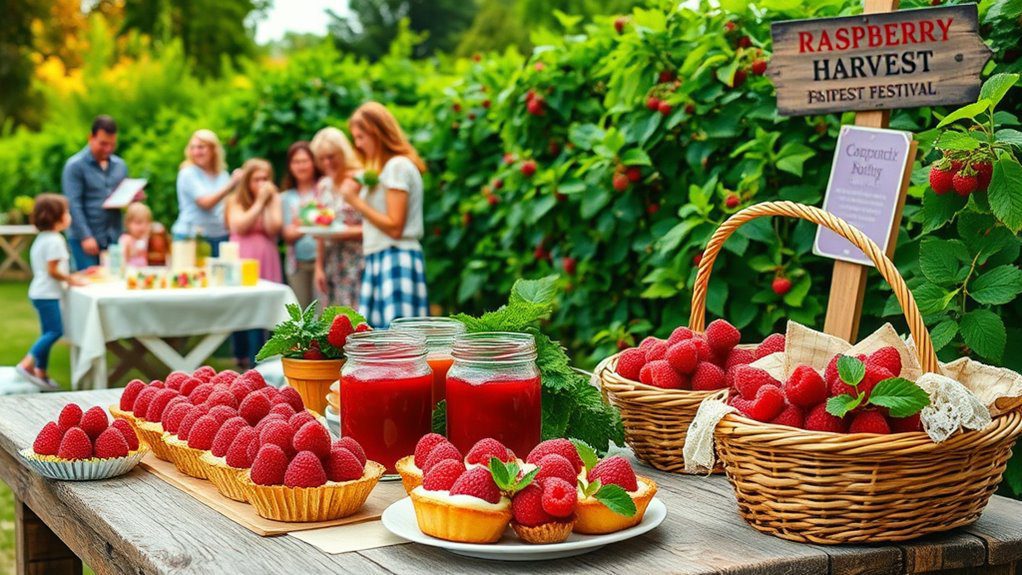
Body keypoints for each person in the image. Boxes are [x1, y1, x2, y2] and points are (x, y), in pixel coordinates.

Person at [341, 102, 428, 328]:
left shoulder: (397, 166)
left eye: (361, 137)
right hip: (382, 257)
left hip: (395, 256)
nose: (358, 144)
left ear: (377, 133)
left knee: (398, 343)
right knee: (381, 341)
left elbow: (394, 226)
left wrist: (356, 202)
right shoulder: (386, 169)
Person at [17, 195, 86, 389]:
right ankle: (27, 364)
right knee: (55, 331)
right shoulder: (55, 240)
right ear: (57, 216)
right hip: (47, 294)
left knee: (47, 332)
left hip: (39, 292)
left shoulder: (42, 238)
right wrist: (72, 279)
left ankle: (41, 371)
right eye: (66, 212)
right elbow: (53, 271)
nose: (69, 215)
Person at [225, 158, 283, 368]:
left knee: (264, 309)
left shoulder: (272, 198)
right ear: (247, 181)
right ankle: (243, 357)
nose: (261, 183)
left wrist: (267, 201)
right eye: (256, 179)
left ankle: (262, 362)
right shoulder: (235, 200)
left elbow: (273, 227)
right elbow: (239, 226)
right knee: (243, 309)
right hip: (243, 258)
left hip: (266, 258)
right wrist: (259, 202)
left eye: (265, 179)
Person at [62, 115, 127, 270]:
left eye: (112, 144)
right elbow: (73, 204)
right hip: (85, 237)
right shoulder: (74, 166)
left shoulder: (120, 165)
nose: (108, 149)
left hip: (113, 236)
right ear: (91, 137)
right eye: (103, 144)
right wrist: (86, 236)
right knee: (89, 283)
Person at [310, 127, 363, 309]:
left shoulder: (360, 180)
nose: (327, 163)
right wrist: (319, 267)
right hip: (331, 262)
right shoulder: (324, 185)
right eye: (322, 158)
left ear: (343, 153)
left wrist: (340, 233)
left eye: (331, 156)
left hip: (357, 262)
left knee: (357, 317)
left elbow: (373, 228)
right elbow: (319, 226)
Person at [171, 129, 238, 255]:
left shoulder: (222, 174)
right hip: (190, 237)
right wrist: (231, 184)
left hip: (219, 236)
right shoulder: (188, 173)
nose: (196, 152)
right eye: (193, 148)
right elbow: (206, 203)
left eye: (201, 147)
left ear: (213, 150)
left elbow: (227, 206)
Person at [280, 141, 323, 309]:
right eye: (296, 162)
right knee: (303, 313)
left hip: (323, 261)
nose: (301, 166)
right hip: (297, 263)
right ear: (290, 166)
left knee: (323, 312)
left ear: (313, 162)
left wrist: (299, 225)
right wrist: (310, 222)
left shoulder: (323, 189)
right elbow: (287, 235)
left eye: (304, 161)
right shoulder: (285, 197)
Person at [120, 202, 153, 268]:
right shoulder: (126, 239)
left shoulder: (147, 239)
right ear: (127, 223)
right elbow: (122, 259)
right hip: (129, 274)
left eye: (147, 223)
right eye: (138, 222)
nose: (143, 227)